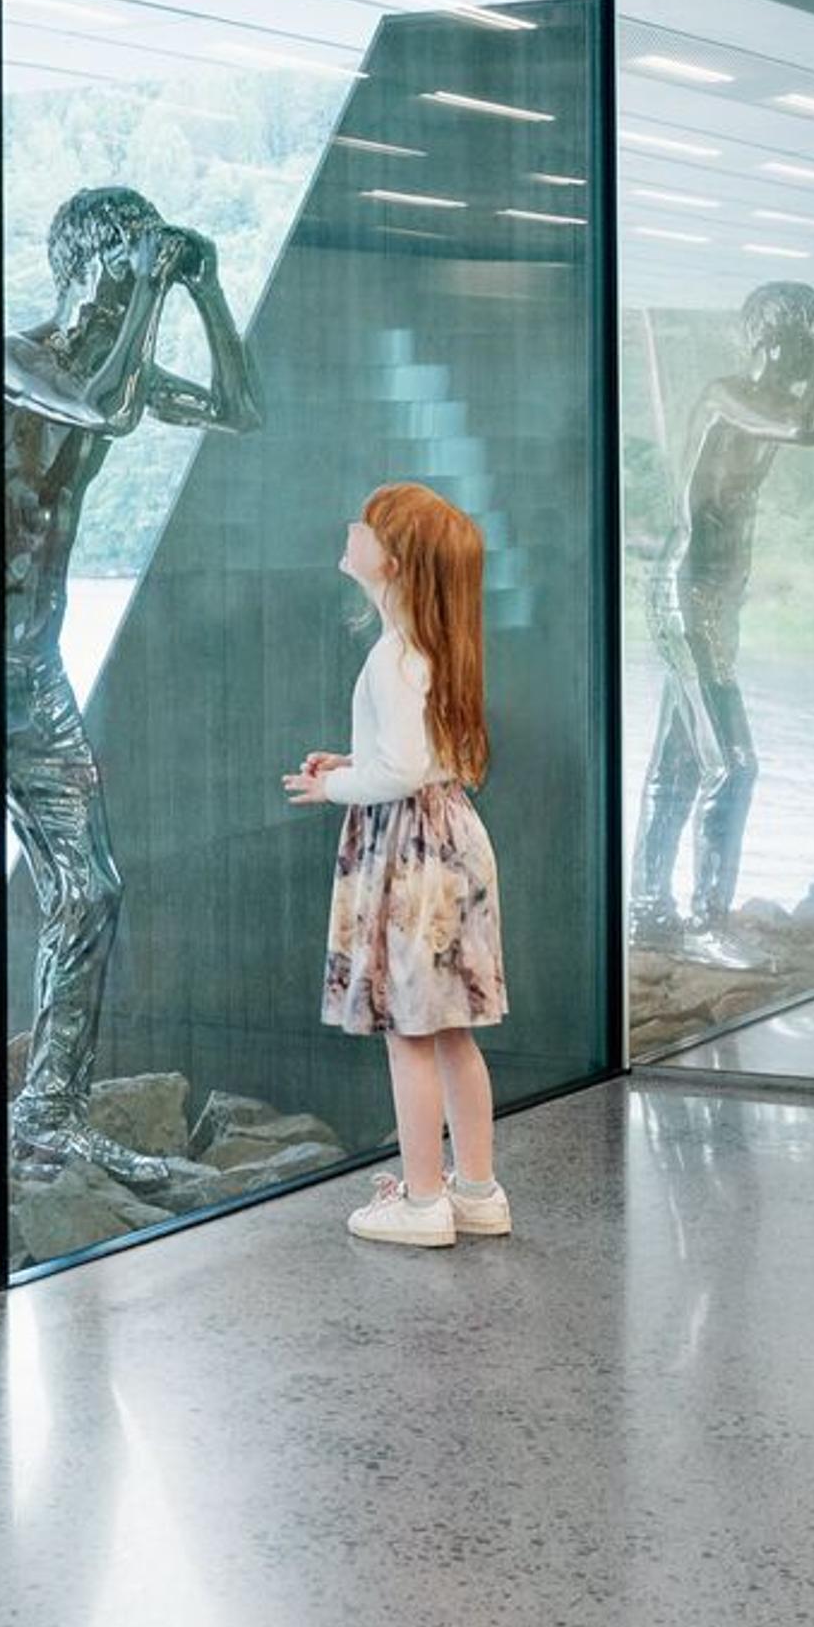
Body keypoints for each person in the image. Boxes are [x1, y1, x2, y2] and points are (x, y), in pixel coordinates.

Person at [0, 185, 260, 1198]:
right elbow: (111, 406)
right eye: (124, 264)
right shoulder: (14, 361)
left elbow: (238, 409)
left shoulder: (108, 366)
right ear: (85, 266)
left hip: (34, 671)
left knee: (91, 886)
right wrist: (153, 287)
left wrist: (208, 292)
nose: (136, 283)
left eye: (142, 268)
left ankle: (48, 1113)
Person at [284, 481, 509, 1251]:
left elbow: (401, 772)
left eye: (368, 525)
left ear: (393, 561)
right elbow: (421, 757)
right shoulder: (435, 647)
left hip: (411, 855)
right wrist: (354, 763)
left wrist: (333, 787)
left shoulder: (393, 656)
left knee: (408, 1030)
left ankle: (421, 1201)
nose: (352, 528)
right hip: (451, 840)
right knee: (450, 1031)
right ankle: (476, 1190)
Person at [632, 281, 814, 964]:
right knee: (734, 765)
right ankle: (706, 924)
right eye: (807, 338)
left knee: (679, 759)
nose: (812, 350)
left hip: (721, 602)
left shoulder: (779, 403)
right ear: (776, 339)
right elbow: (802, 425)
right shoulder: (727, 396)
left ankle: (648, 912)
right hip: (686, 595)